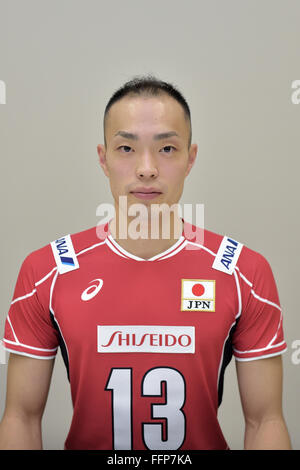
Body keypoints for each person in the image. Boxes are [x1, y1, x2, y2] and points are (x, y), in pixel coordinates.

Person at [0, 75, 292, 450]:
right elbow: (20, 417)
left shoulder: (244, 273)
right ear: (103, 159)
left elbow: (265, 420)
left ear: (191, 158)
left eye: (167, 149)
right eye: (126, 148)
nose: (147, 168)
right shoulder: (46, 272)